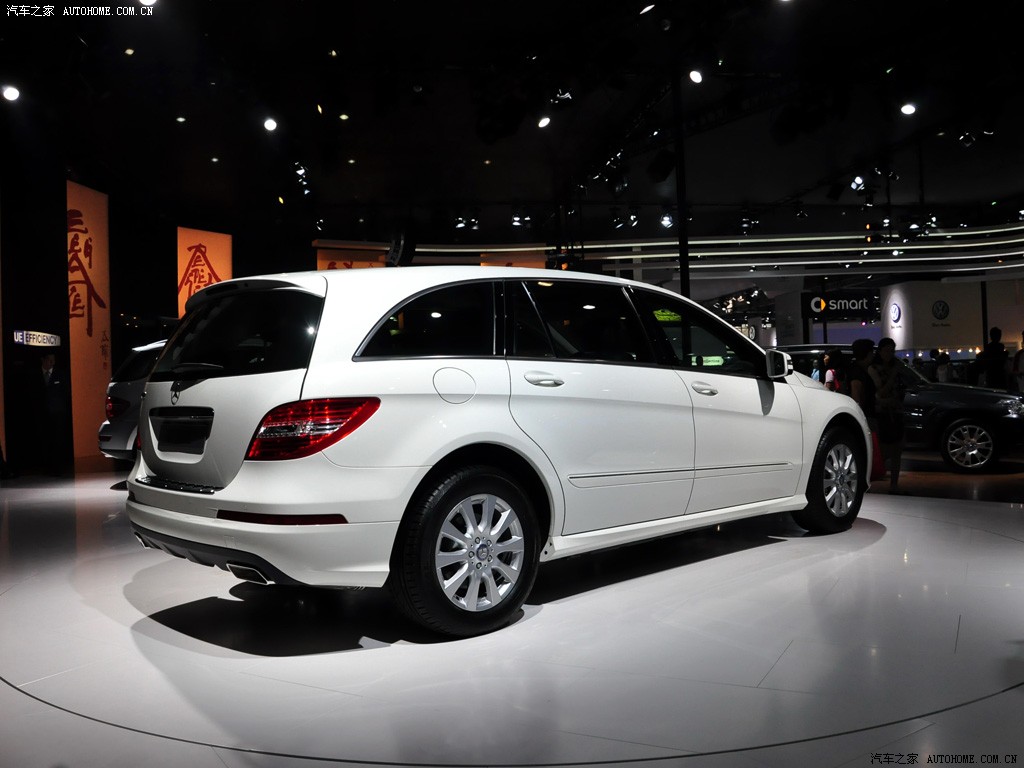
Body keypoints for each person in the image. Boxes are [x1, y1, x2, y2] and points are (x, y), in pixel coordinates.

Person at [871, 337, 905, 493]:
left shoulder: (894, 367)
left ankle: (894, 484)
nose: (890, 354)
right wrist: (893, 375)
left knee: (897, 449)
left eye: (892, 351)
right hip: (883, 412)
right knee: (884, 449)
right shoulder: (875, 369)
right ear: (880, 351)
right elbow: (881, 392)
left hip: (895, 411)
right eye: (887, 350)